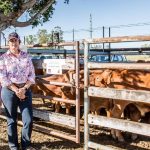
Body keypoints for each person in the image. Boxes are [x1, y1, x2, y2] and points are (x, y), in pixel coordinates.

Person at [0, 32, 35, 150]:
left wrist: (24, 89)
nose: (13, 43)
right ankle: (13, 146)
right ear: (8, 43)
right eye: (11, 41)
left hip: (25, 90)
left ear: (19, 42)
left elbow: (31, 75)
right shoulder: (3, 58)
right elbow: (2, 77)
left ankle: (25, 145)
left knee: (28, 119)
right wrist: (16, 89)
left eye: (15, 40)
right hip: (9, 90)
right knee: (11, 120)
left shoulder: (26, 56)